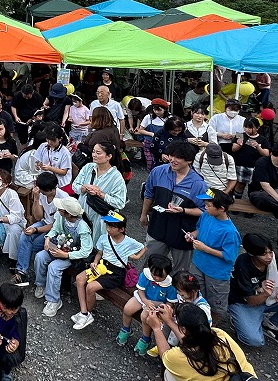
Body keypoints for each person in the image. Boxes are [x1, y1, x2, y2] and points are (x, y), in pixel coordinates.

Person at [140, 140, 207, 274]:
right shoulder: (158, 172)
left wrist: (183, 210)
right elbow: (148, 195)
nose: (172, 160)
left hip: (182, 234)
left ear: (189, 160)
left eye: (178, 157)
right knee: (150, 265)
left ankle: (176, 294)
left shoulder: (199, 184)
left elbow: (204, 210)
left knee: (181, 271)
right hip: (157, 228)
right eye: (171, 155)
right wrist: (143, 215)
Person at [72, 213, 145, 332]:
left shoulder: (129, 241)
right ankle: (84, 312)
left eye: (111, 227)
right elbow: (100, 253)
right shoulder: (104, 238)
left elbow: (143, 247)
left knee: (90, 287)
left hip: (115, 273)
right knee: (80, 278)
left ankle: (87, 314)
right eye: (107, 225)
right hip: (102, 266)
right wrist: (94, 262)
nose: (108, 229)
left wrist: (136, 257)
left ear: (121, 229)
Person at [228, 233, 278, 349]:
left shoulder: (276, 259)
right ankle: (239, 319)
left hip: (268, 298)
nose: (269, 257)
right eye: (263, 254)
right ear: (251, 253)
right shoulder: (242, 263)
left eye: (270, 252)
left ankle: (272, 324)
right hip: (244, 303)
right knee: (254, 341)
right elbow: (250, 300)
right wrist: (265, 293)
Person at [33, 194, 93, 317]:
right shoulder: (61, 218)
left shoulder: (82, 227)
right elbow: (54, 229)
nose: (58, 209)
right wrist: (48, 238)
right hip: (59, 248)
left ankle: (54, 300)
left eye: (61, 209)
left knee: (54, 267)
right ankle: (41, 284)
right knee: (40, 257)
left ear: (69, 214)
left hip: (73, 256)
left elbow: (86, 251)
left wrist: (66, 255)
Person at [187, 192, 242, 324]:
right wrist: (192, 235)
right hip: (198, 264)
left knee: (216, 305)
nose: (205, 207)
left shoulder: (230, 232)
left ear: (221, 209)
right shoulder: (207, 215)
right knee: (194, 295)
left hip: (216, 274)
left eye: (208, 205)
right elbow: (199, 229)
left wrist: (205, 249)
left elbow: (229, 257)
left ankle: (209, 326)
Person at [10, 172, 60, 287]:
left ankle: (24, 271)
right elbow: (38, 217)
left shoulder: (61, 199)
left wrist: (36, 230)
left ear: (50, 190)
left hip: (55, 229)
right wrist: (36, 199)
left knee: (31, 244)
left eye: (41, 190)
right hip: (44, 222)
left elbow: (55, 226)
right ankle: (21, 271)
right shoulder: (41, 194)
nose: (39, 191)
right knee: (25, 235)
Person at [122, 253, 177, 351]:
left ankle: (145, 339)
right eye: (154, 274)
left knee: (145, 317)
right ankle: (126, 329)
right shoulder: (146, 275)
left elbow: (170, 302)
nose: (156, 278)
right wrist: (145, 301)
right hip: (143, 298)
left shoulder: (170, 285)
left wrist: (163, 309)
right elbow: (140, 290)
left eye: (161, 277)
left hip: (158, 303)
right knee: (127, 309)